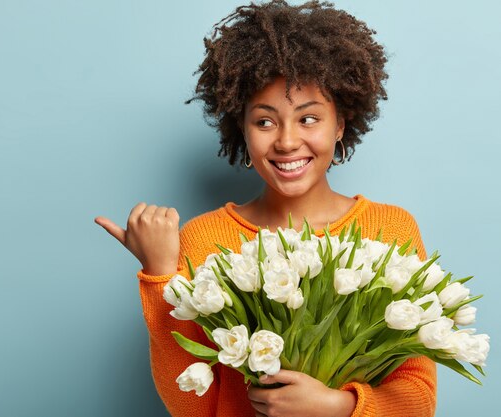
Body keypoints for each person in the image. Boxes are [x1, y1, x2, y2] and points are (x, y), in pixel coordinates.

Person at [94, 1, 436, 416]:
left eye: (309, 119)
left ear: (341, 124)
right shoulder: (205, 239)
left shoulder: (391, 230)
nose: (288, 142)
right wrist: (162, 275)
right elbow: (192, 406)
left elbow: (418, 395)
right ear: (242, 129)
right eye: (265, 121)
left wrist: (338, 407)